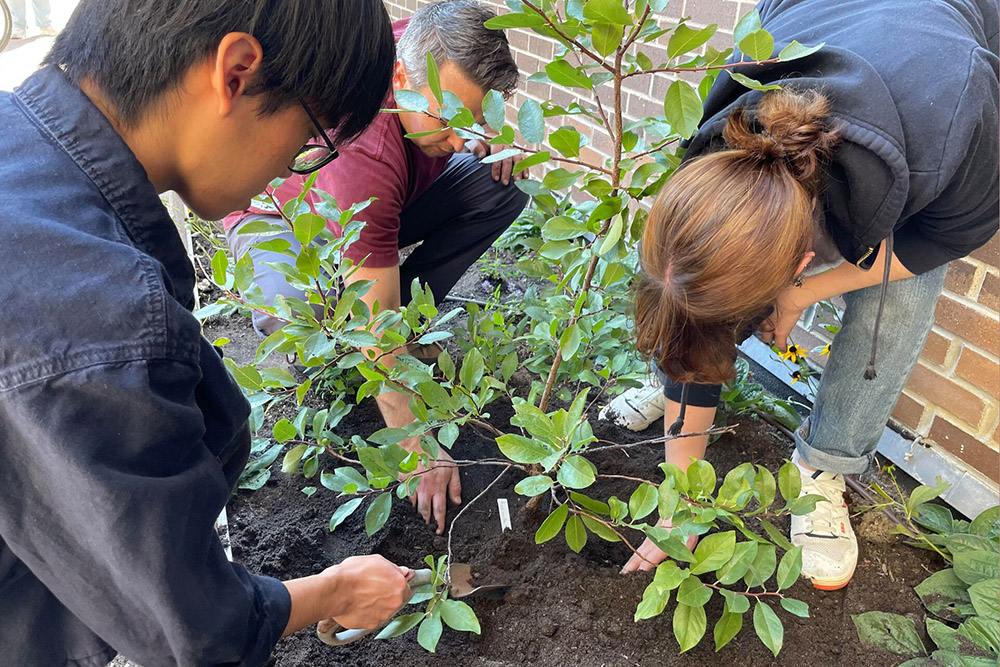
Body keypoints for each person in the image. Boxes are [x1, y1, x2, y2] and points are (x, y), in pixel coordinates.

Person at [0, 1, 418, 665]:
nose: (292, 168)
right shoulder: (97, 326)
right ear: (237, 73)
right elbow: (188, 630)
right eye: (310, 137)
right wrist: (332, 589)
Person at [615, 0, 998, 589]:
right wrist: (680, 493)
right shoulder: (723, 132)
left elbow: (942, 238)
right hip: (816, 14)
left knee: (898, 290)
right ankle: (683, 418)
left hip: (939, 61)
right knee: (704, 284)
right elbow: (697, 313)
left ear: (799, 264)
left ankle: (824, 467)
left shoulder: (950, 127)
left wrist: (803, 296)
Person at [222, 0, 528, 537]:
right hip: (282, 216)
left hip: (380, 205)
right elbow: (374, 324)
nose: (459, 138)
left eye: (472, 119)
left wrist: (489, 133)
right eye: (450, 118)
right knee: (310, 327)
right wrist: (414, 444)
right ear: (401, 75)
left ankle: (403, 315)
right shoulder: (366, 153)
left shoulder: (426, 48)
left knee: (497, 187)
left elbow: (460, 126)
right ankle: (346, 344)